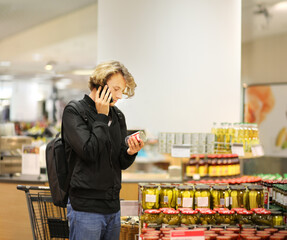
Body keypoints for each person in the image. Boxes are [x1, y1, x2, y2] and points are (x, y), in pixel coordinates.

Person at [62, 60, 144, 240]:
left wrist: (130, 151)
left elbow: (120, 162)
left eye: (122, 90)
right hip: (86, 208)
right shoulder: (74, 111)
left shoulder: (118, 116)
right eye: (116, 89)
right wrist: (101, 116)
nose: (120, 96)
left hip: (113, 207)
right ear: (100, 85)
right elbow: (89, 152)